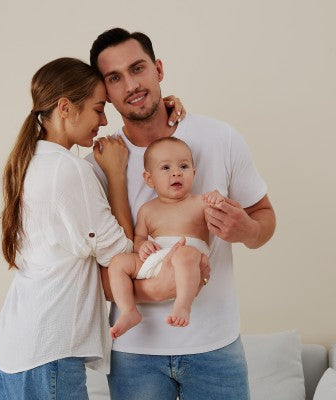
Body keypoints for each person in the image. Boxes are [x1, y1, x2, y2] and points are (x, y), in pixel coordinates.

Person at [87, 28, 276, 400]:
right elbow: (95, 277)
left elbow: (264, 217)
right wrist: (155, 289)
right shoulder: (99, 164)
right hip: (134, 354)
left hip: (215, 346)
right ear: (105, 92)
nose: (131, 85)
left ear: (158, 69)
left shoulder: (219, 138)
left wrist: (248, 231)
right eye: (115, 78)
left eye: (138, 68)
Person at [0, 57, 188, 400]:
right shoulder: (69, 171)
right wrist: (115, 173)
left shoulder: (31, 162)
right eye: (98, 109)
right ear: (65, 108)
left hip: (11, 347)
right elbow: (121, 251)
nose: (104, 120)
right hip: (46, 353)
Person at [108, 137, 226, 338]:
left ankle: (183, 304)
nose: (176, 172)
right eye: (165, 167)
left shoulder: (201, 202)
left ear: (194, 173)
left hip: (189, 257)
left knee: (185, 254)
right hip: (157, 259)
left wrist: (218, 199)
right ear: (149, 179)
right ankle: (128, 311)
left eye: (183, 166)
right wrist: (143, 246)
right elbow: (139, 239)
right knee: (118, 263)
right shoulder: (147, 210)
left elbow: (225, 214)